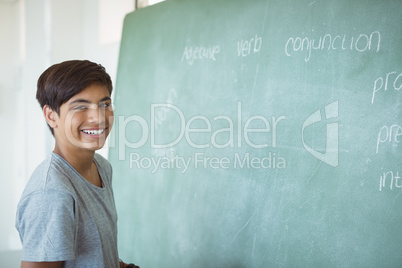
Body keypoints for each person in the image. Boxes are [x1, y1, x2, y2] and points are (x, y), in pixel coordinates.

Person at [15, 60, 139, 268]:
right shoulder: (52, 193)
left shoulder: (101, 167)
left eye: (105, 104)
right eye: (81, 106)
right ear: (51, 115)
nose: (99, 117)